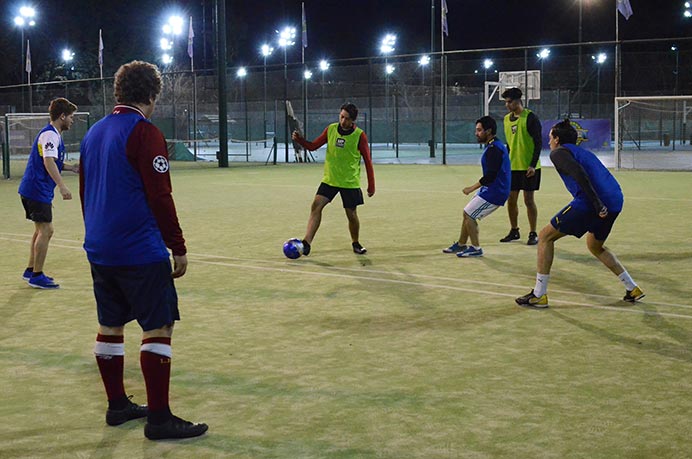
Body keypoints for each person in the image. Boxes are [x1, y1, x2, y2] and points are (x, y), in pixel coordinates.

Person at [79, 61, 208, 440]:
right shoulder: (145, 132)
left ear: (119, 92)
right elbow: (160, 194)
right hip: (139, 249)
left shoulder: (94, 133)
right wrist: (178, 246)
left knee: (110, 325)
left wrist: (98, 236)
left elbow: (88, 193)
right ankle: (160, 419)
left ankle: (118, 405)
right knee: (159, 326)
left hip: (100, 248)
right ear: (153, 94)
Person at [515, 119, 644, 308]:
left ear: (557, 139)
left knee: (544, 237)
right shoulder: (583, 152)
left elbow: (578, 173)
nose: (549, 141)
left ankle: (539, 294)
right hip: (616, 200)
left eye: (550, 138)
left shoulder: (558, 153)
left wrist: (597, 204)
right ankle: (632, 287)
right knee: (595, 246)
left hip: (593, 202)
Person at [292, 102, 375, 255]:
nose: (343, 121)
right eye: (341, 116)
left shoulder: (359, 136)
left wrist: (371, 186)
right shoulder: (330, 129)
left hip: (349, 182)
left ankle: (355, 243)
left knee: (351, 215)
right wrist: (300, 140)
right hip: (330, 180)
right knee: (316, 206)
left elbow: (368, 161)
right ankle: (307, 243)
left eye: (347, 118)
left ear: (353, 120)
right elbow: (313, 146)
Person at [18, 98, 79, 289]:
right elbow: (48, 162)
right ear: (62, 116)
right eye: (71, 116)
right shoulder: (50, 135)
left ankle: (31, 270)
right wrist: (62, 186)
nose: (72, 120)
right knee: (47, 230)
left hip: (34, 189)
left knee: (40, 230)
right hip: (36, 190)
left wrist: (72, 168)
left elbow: (54, 161)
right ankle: (37, 275)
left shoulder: (53, 135)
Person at [442, 116, 511, 258]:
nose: (476, 133)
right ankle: (461, 244)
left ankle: (476, 248)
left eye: (479, 130)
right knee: (467, 213)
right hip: (490, 189)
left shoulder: (495, 149)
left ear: (489, 131)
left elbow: (490, 176)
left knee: (469, 214)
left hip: (496, 191)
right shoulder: (494, 145)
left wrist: (470, 188)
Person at [500, 87, 542, 246]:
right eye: (506, 102)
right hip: (512, 167)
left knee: (529, 200)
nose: (507, 105)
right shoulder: (505, 120)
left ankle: (533, 233)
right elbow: (510, 144)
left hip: (529, 168)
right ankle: (514, 230)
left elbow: (538, 143)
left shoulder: (530, 118)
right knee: (511, 200)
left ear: (518, 101)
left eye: (509, 102)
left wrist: (532, 164)